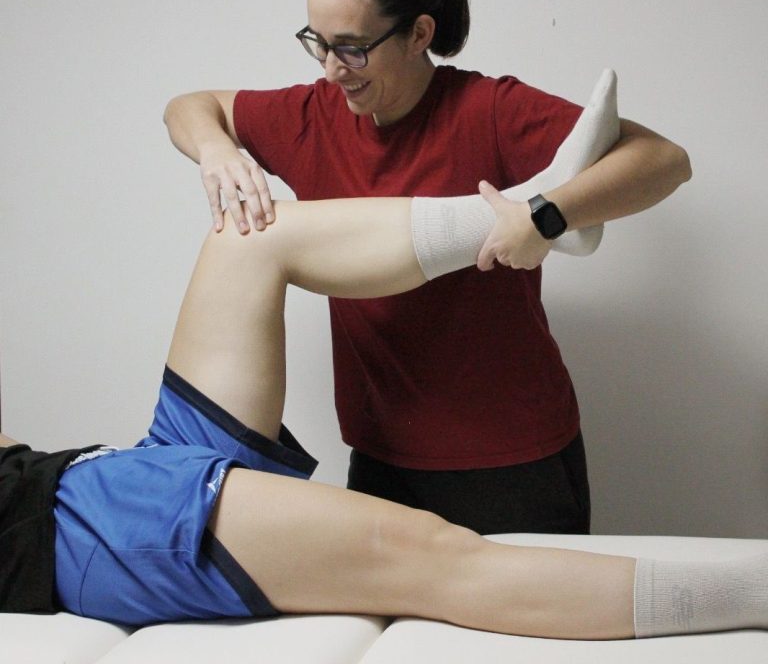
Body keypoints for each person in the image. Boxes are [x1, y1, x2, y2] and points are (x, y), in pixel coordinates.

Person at [0, 193, 764, 639]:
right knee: (432, 553)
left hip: (93, 472)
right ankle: (753, 595)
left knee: (249, 238)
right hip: (81, 529)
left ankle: (535, 210)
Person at [163, 0, 692, 534]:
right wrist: (217, 151)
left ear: (419, 34)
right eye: (319, 44)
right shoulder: (311, 116)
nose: (333, 70)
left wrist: (547, 214)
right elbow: (188, 106)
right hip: (381, 454)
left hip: (510, 458)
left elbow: (664, 160)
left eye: (353, 48)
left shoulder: (490, 109)